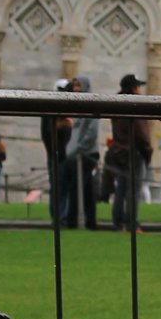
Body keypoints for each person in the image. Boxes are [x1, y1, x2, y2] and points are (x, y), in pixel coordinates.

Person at [106, 74, 155, 231]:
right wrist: (147, 152)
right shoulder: (134, 105)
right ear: (134, 88)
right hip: (134, 153)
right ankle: (132, 224)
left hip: (120, 153)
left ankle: (118, 221)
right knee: (133, 191)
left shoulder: (116, 105)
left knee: (121, 189)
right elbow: (142, 134)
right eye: (138, 86)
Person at [66, 76, 101, 229]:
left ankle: (72, 222)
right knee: (86, 190)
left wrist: (78, 148)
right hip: (77, 153)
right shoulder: (77, 106)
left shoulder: (91, 105)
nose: (76, 89)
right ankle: (90, 222)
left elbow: (91, 133)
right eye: (75, 86)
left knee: (77, 187)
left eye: (79, 86)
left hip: (86, 154)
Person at [40, 80, 75, 225]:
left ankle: (59, 217)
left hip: (58, 153)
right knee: (59, 188)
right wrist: (64, 123)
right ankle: (59, 218)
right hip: (58, 154)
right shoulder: (52, 109)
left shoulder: (51, 108)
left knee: (59, 187)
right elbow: (49, 130)